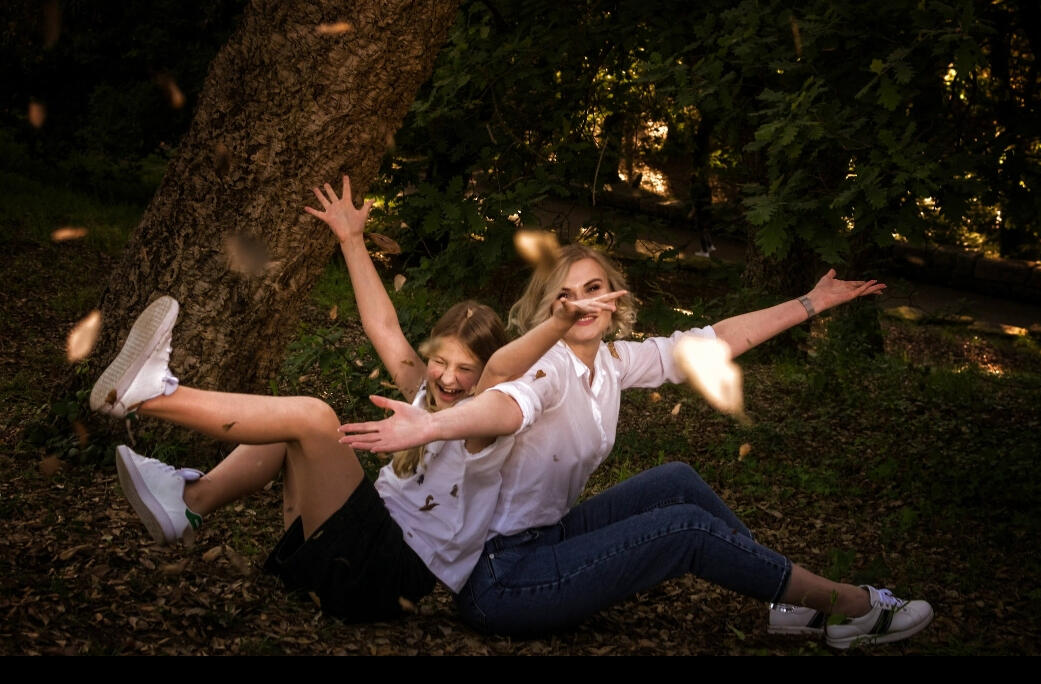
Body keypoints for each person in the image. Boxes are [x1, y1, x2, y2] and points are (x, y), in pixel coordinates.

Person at [340, 243, 934, 649]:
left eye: (594, 288)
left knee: (676, 480)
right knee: (683, 530)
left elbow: (713, 341)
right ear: (550, 307)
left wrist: (811, 303)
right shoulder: (545, 368)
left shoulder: (613, 361)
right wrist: (431, 426)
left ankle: (785, 598)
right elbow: (506, 403)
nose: (583, 302)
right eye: (567, 294)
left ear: (614, 297)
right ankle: (851, 607)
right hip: (499, 578)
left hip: (544, 538)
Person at [90, 178, 623, 622]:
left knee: (315, 418)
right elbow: (383, 326)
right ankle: (191, 502)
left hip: (386, 578)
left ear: (485, 377)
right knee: (287, 429)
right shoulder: (423, 391)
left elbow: (505, 370)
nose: (449, 378)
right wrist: (350, 238)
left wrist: (559, 323)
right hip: (347, 554)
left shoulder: (481, 425)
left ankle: (156, 395)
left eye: (467, 370)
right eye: (441, 361)